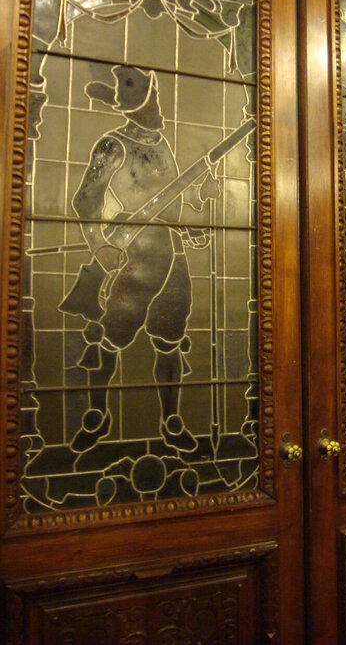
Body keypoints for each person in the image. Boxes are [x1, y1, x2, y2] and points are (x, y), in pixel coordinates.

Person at [61, 65, 219, 454]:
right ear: (139, 103)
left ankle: (171, 421)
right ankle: (96, 414)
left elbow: (170, 201)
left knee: (170, 340)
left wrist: (197, 205)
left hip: (171, 258)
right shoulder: (112, 145)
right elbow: (85, 200)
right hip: (133, 256)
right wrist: (99, 246)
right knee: (111, 338)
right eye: (154, 97)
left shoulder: (162, 143)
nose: (158, 104)